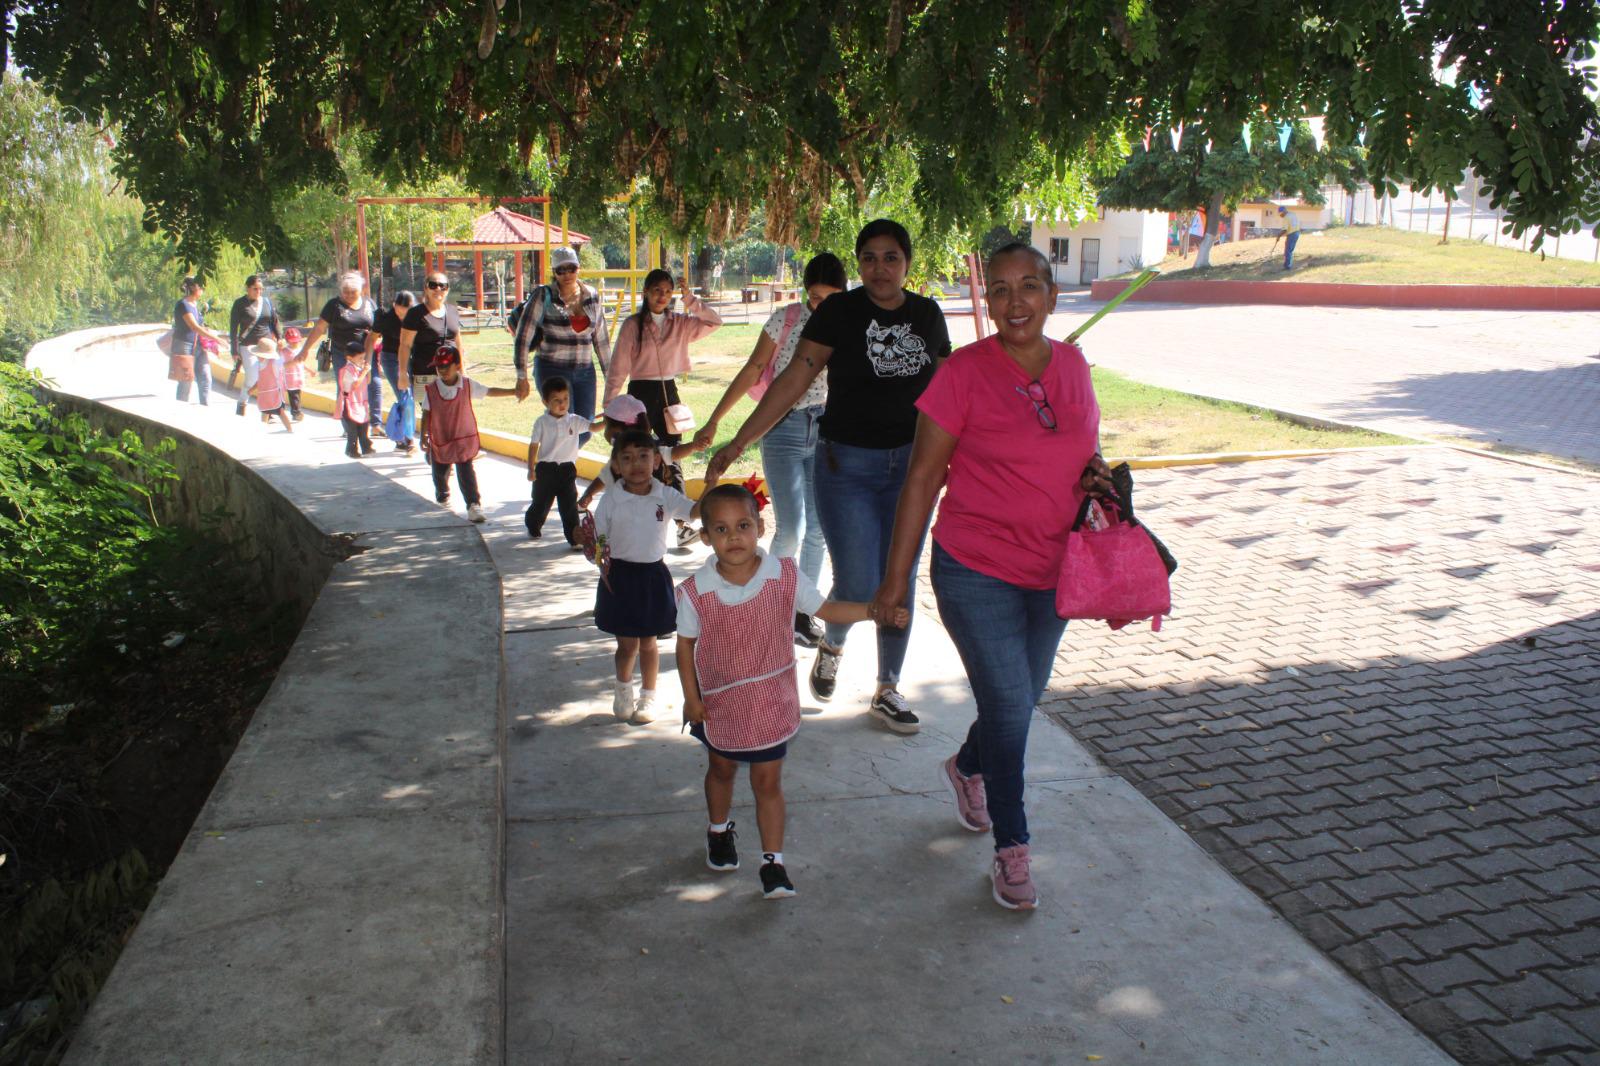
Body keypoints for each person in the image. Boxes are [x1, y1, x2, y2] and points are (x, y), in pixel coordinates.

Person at [870, 242, 1113, 911]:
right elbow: (922, 479)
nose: (1015, 302)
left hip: (1055, 570)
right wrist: (895, 581)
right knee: (1010, 706)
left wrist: (1097, 472)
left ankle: (968, 765)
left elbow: (1085, 445)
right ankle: (1013, 850)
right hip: (975, 569)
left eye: (1029, 285)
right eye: (1000, 289)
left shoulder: (1075, 365)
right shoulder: (962, 373)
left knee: (1015, 706)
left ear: (1053, 295)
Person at [704, 219, 951, 735]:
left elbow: (951, 388)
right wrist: (739, 440)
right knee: (860, 579)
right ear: (859, 264)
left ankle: (887, 687)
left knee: (900, 577)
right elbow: (793, 377)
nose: (879, 268)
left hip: (911, 468)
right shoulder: (840, 312)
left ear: (907, 263)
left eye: (890, 257)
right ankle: (834, 644)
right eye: (869, 258)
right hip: (847, 466)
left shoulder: (927, 314)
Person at [677, 484, 909, 900]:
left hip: (769, 702)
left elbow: (825, 609)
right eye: (722, 528)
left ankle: (773, 864)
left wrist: (873, 612)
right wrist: (691, 697)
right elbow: (685, 645)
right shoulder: (696, 592)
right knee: (722, 771)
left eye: (743, 525)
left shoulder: (783, 575)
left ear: (761, 527)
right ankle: (718, 830)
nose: (734, 537)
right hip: (720, 703)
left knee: (768, 782)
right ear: (707, 537)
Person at [698, 253, 846, 648]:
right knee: (791, 527)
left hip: (828, 430)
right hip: (783, 426)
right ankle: (769, 600)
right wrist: (716, 421)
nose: (822, 306)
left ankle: (802, 612)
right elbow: (751, 369)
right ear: (805, 292)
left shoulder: (849, 322)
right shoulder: (787, 319)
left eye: (831, 298)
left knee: (817, 529)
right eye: (815, 296)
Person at [588, 430, 699, 725]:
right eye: (626, 458)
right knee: (626, 645)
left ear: (656, 461)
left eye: (643, 456)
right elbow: (597, 542)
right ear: (616, 466)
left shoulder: (665, 494)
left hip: (652, 576)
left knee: (649, 643)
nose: (636, 463)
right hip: (619, 577)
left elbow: (694, 511)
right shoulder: (611, 499)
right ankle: (623, 689)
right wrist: (590, 546)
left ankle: (648, 696)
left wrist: (714, 491)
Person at [603, 267, 722, 445]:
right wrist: (609, 406)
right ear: (646, 291)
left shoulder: (679, 323)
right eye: (657, 290)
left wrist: (690, 299)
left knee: (673, 446)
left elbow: (714, 322)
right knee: (637, 446)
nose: (662, 296)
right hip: (639, 392)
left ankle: (671, 474)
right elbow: (618, 367)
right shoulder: (632, 324)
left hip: (669, 390)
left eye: (668, 291)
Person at [511, 246, 610, 446]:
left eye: (571, 268)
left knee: (585, 431)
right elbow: (523, 336)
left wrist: (612, 378)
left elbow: (601, 339)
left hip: (584, 372)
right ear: (554, 272)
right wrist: (521, 376)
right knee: (565, 427)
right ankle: (556, 472)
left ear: (578, 268)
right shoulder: (543, 295)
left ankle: (559, 467)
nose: (566, 274)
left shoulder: (591, 295)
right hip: (552, 370)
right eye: (560, 270)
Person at [419, 343, 516, 523]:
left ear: (457, 365)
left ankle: (473, 504)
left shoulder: (468, 385)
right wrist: (424, 435)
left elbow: (488, 391)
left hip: (463, 438)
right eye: (439, 366)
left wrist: (513, 391)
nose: (442, 370)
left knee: (466, 470)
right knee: (440, 470)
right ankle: (443, 496)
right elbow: (426, 412)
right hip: (441, 438)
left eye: (446, 365)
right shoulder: (432, 390)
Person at [296, 271, 382, 437]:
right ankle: (349, 425)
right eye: (346, 292)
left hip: (366, 352)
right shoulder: (334, 306)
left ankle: (376, 424)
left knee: (374, 383)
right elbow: (319, 328)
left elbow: (376, 328)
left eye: (353, 292)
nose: (349, 295)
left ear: (361, 290)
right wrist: (304, 349)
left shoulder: (369, 304)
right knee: (346, 388)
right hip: (342, 353)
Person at [398, 271, 468, 457]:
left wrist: (463, 367)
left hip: (452, 373)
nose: (438, 289)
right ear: (426, 288)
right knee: (436, 413)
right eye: (433, 285)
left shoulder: (452, 311)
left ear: (448, 289)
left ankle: (442, 451)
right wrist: (402, 372)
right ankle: (438, 452)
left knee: (451, 413)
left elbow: (458, 341)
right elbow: (405, 345)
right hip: (426, 373)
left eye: (442, 285)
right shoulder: (416, 314)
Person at [525, 375, 590, 545]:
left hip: (567, 470)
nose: (562, 404)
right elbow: (533, 446)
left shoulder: (574, 420)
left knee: (569, 506)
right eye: (556, 400)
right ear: (545, 402)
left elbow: (593, 427)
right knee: (541, 503)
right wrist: (531, 469)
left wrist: (610, 418)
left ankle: (574, 538)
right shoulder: (541, 422)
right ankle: (533, 523)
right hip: (545, 470)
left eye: (565, 399)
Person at [227, 274, 283, 413]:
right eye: (255, 289)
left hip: (266, 346)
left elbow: (274, 321)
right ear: (247, 288)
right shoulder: (239, 304)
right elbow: (233, 329)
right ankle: (242, 403)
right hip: (248, 346)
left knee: (270, 376)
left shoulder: (266, 302)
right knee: (252, 377)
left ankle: (271, 408)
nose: (258, 292)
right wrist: (234, 350)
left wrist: (279, 337)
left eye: (260, 289)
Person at [371, 290, 417, 449]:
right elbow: (372, 337)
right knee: (405, 396)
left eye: (406, 312)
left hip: (411, 359)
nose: (402, 316)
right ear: (394, 306)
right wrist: (366, 360)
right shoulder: (386, 318)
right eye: (399, 311)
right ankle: (408, 438)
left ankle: (398, 433)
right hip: (391, 358)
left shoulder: (418, 316)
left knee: (411, 396)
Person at [172, 277, 225, 405]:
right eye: (200, 286)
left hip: (199, 345)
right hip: (184, 345)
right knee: (186, 382)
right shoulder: (183, 305)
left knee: (206, 378)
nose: (202, 289)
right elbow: (194, 326)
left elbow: (199, 326)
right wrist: (217, 339)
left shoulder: (195, 305)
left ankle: (204, 407)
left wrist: (208, 333)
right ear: (191, 288)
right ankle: (179, 410)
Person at [336, 340, 376, 458]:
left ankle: (366, 447)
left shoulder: (359, 368)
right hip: (349, 404)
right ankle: (351, 450)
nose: (362, 360)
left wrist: (367, 371)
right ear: (349, 357)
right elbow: (354, 385)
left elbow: (367, 381)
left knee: (364, 426)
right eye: (360, 358)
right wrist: (364, 372)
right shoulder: (347, 370)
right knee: (352, 431)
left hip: (360, 403)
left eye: (363, 357)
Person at [248, 337, 293, 433]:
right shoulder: (259, 364)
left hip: (274, 393)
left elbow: (283, 364)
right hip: (265, 393)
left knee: (280, 412)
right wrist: (252, 389)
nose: (256, 356)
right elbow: (260, 380)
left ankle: (289, 429)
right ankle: (262, 427)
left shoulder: (274, 363)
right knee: (265, 410)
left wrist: (294, 360)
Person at [281, 326, 306, 421]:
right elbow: (283, 365)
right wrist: (294, 362)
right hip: (290, 378)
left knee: (297, 395)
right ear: (288, 341)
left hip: (299, 377)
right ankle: (296, 412)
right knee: (294, 396)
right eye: (293, 341)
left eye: (297, 341)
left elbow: (302, 362)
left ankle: (295, 411)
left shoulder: (299, 350)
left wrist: (309, 370)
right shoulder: (284, 352)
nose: (295, 343)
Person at [1273, 205, 1302, 270]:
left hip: (1292, 234)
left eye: (1280, 213)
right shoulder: (1292, 214)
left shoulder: (1286, 217)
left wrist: (1278, 236)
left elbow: (1284, 230)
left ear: (1283, 212)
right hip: (1297, 233)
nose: (1280, 215)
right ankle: (1288, 265)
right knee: (1289, 250)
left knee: (1288, 251)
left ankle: (1287, 266)